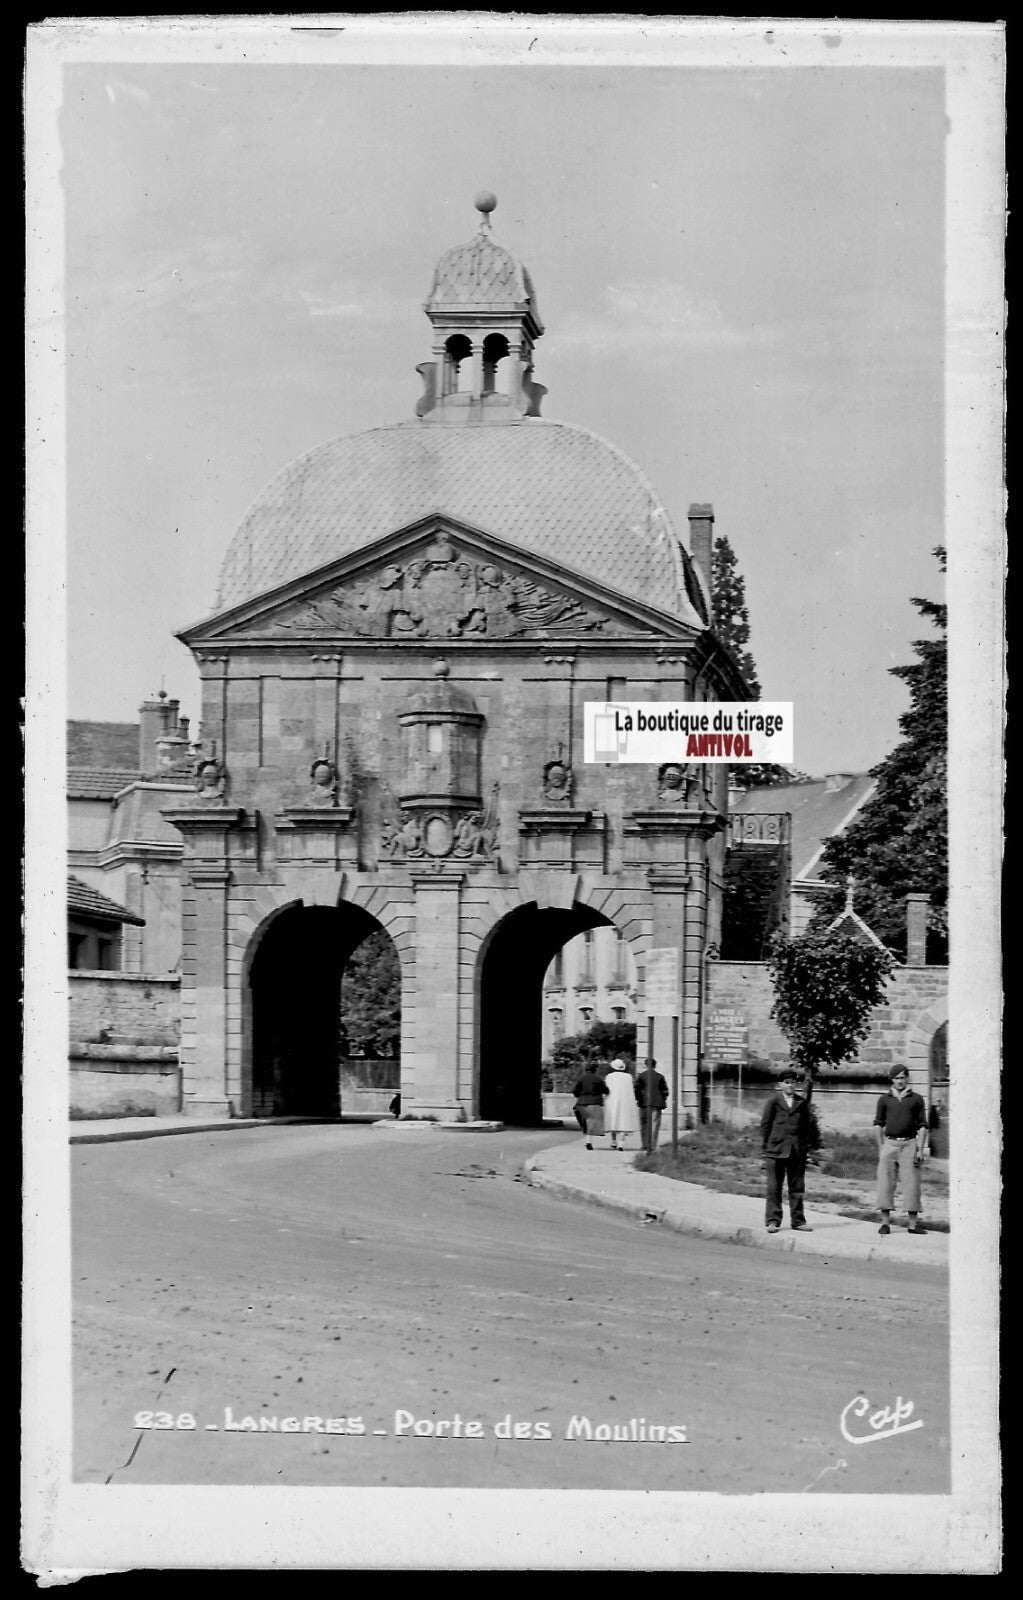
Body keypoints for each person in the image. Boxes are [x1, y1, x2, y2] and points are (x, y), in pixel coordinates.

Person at [874, 1064, 929, 1234]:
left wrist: (920, 1149)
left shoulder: (917, 1099)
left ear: (907, 1078)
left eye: (902, 1077)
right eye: (896, 1078)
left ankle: (912, 1225)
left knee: (912, 1184)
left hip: (909, 1144)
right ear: (892, 1080)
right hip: (889, 1144)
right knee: (885, 1184)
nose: (900, 1081)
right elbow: (878, 1124)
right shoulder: (884, 1099)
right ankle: (885, 1223)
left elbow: (923, 1126)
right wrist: (881, 1147)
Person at [759, 1065, 814, 1233]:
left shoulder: (801, 1102)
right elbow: (765, 1126)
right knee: (773, 1187)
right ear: (780, 1084)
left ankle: (798, 1221)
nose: (790, 1085)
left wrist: (804, 1149)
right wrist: (767, 1148)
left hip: (796, 1151)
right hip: (775, 1151)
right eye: (787, 1082)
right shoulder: (773, 1102)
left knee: (797, 1188)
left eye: (793, 1082)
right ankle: (773, 1220)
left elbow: (806, 1128)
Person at [604, 1058, 642, 1152]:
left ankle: (613, 1141)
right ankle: (621, 1143)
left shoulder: (609, 1076)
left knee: (613, 1120)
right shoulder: (628, 1077)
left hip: (612, 1101)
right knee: (623, 1121)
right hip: (625, 1101)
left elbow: (606, 1089)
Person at [572, 1062, 609, 1151]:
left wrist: (579, 1096)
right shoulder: (598, 1079)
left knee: (585, 1122)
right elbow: (606, 1091)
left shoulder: (581, 1078)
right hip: (594, 1102)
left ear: (586, 1069)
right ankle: (589, 1141)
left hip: (581, 1103)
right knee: (592, 1122)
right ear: (595, 1070)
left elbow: (575, 1091)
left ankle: (588, 1140)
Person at [634, 1058, 669, 1150]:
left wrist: (638, 1099)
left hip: (643, 1103)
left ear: (646, 1065)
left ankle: (645, 1144)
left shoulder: (641, 1076)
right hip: (656, 1104)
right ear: (655, 1065)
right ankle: (652, 1145)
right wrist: (662, 1099)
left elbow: (636, 1089)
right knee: (654, 1125)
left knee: (644, 1125)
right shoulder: (660, 1077)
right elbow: (665, 1091)